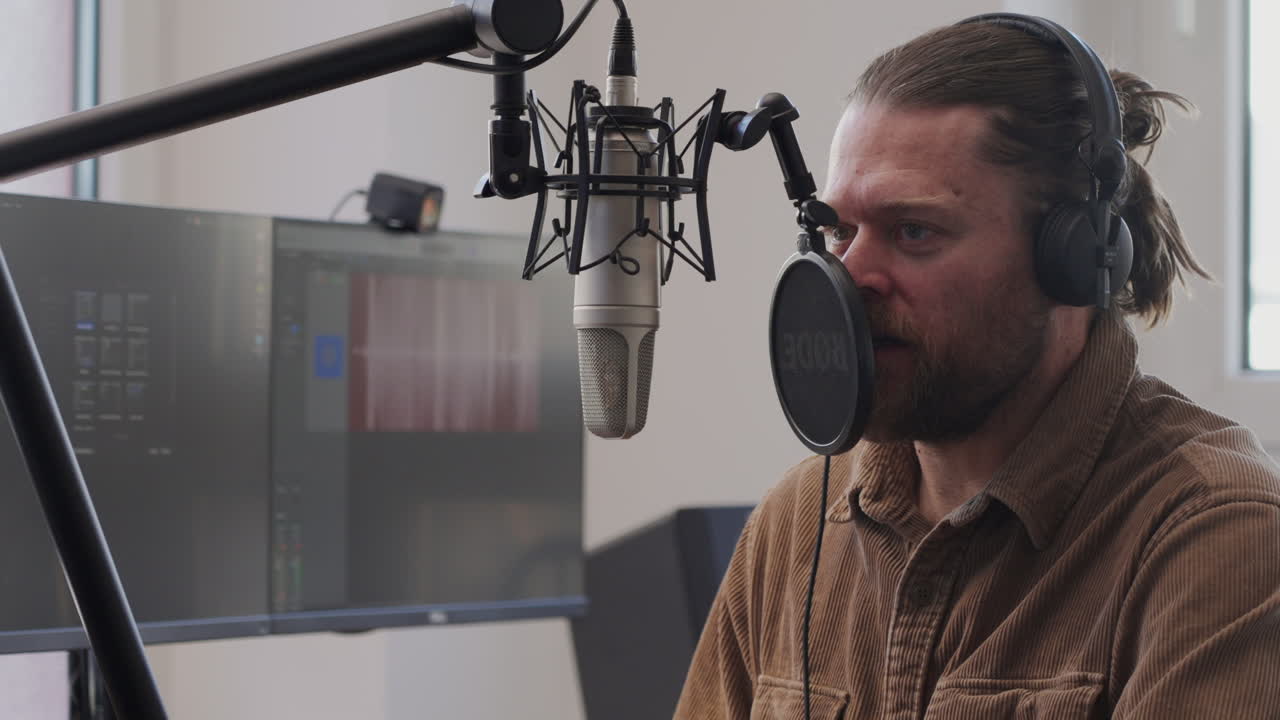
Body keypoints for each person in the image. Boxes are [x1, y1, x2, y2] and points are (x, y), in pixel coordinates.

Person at [674, 14, 1280, 720]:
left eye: (914, 231)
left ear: (1071, 259)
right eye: (840, 231)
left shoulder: (1219, 542)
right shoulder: (800, 520)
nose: (851, 274)